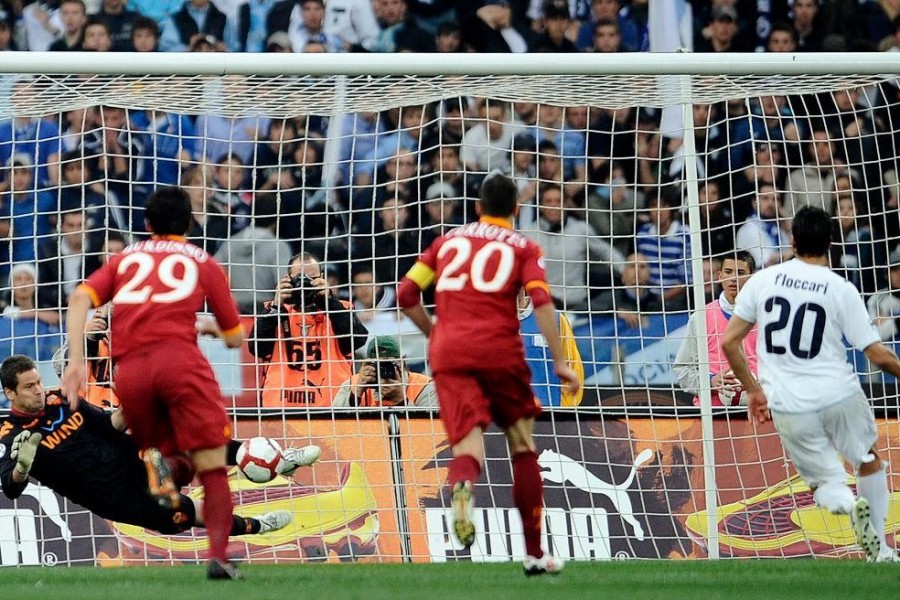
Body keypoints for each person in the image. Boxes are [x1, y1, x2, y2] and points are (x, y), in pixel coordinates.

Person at [397, 174, 580, 576]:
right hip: (498, 348)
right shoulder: (523, 247)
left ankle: (463, 490)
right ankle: (534, 554)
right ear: (516, 209)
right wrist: (559, 359)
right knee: (523, 447)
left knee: (465, 450)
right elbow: (541, 301)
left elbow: (406, 294)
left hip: (450, 352)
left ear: (477, 208)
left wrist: (433, 333)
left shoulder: (446, 243)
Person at [61, 187, 247, 580]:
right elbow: (235, 338)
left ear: (146, 225)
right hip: (179, 365)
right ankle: (218, 556)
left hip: (129, 374)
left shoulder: (125, 259)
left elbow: (79, 300)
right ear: (190, 222)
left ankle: (164, 466)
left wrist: (77, 362)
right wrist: (212, 328)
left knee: (163, 451)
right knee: (212, 466)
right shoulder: (204, 262)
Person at [722, 205, 900, 563]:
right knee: (867, 460)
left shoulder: (762, 280)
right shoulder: (841, 288)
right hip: (839, 393)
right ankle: (878, 549)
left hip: (788, 401)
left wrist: (754, 389)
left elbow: (729, 343)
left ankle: (847, 503)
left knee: (828, 487)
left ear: (792, 239)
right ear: (830, 242)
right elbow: (878, 355)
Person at [1, 355, 320, 549]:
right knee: (181, 513)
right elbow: (10, 489)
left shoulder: (60, 399)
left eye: (39, 382)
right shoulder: (10, 434)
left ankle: (279, 461)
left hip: (128, 457)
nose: (39, 390)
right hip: (109, 495)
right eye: (29, 387)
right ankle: (257, 526)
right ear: (10, 392)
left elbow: (107, 426)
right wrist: (23, 468)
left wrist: (132, 406)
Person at [250, 252, 368, 407]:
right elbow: (256, 348)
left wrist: (329, 301)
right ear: (287, 279)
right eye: (299, 278)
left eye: (311, 278)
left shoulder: (339, 310)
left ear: (322, 277)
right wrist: (276, 306)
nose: (305, 284)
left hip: (331, 411)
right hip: (282, 411)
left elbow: (358, 340)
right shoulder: (273, 311)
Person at [673, 251, 757, 407]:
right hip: (712, 412)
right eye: (728, 272)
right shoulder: (701, 317)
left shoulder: (765, 316)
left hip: (756, 411)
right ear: (719, 276)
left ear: (752, 278)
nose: (733, 278)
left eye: (740, 273)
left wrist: (758, 382)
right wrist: (710, 380)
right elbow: (682, 369)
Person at [517, 291, 584, 407]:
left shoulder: (554, 320)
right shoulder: (486, 323)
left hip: (547, 418)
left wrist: (561, 413)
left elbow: (573, 369)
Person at [332, 335, 437, 408]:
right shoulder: (352, 384)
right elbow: (335, 427)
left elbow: (430, 431)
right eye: (377, 365)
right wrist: (356, 393)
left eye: (390, 363)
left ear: (403, 362)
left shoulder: (424, 387)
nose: (384, 369)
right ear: (367, 364)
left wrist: (401, 400)